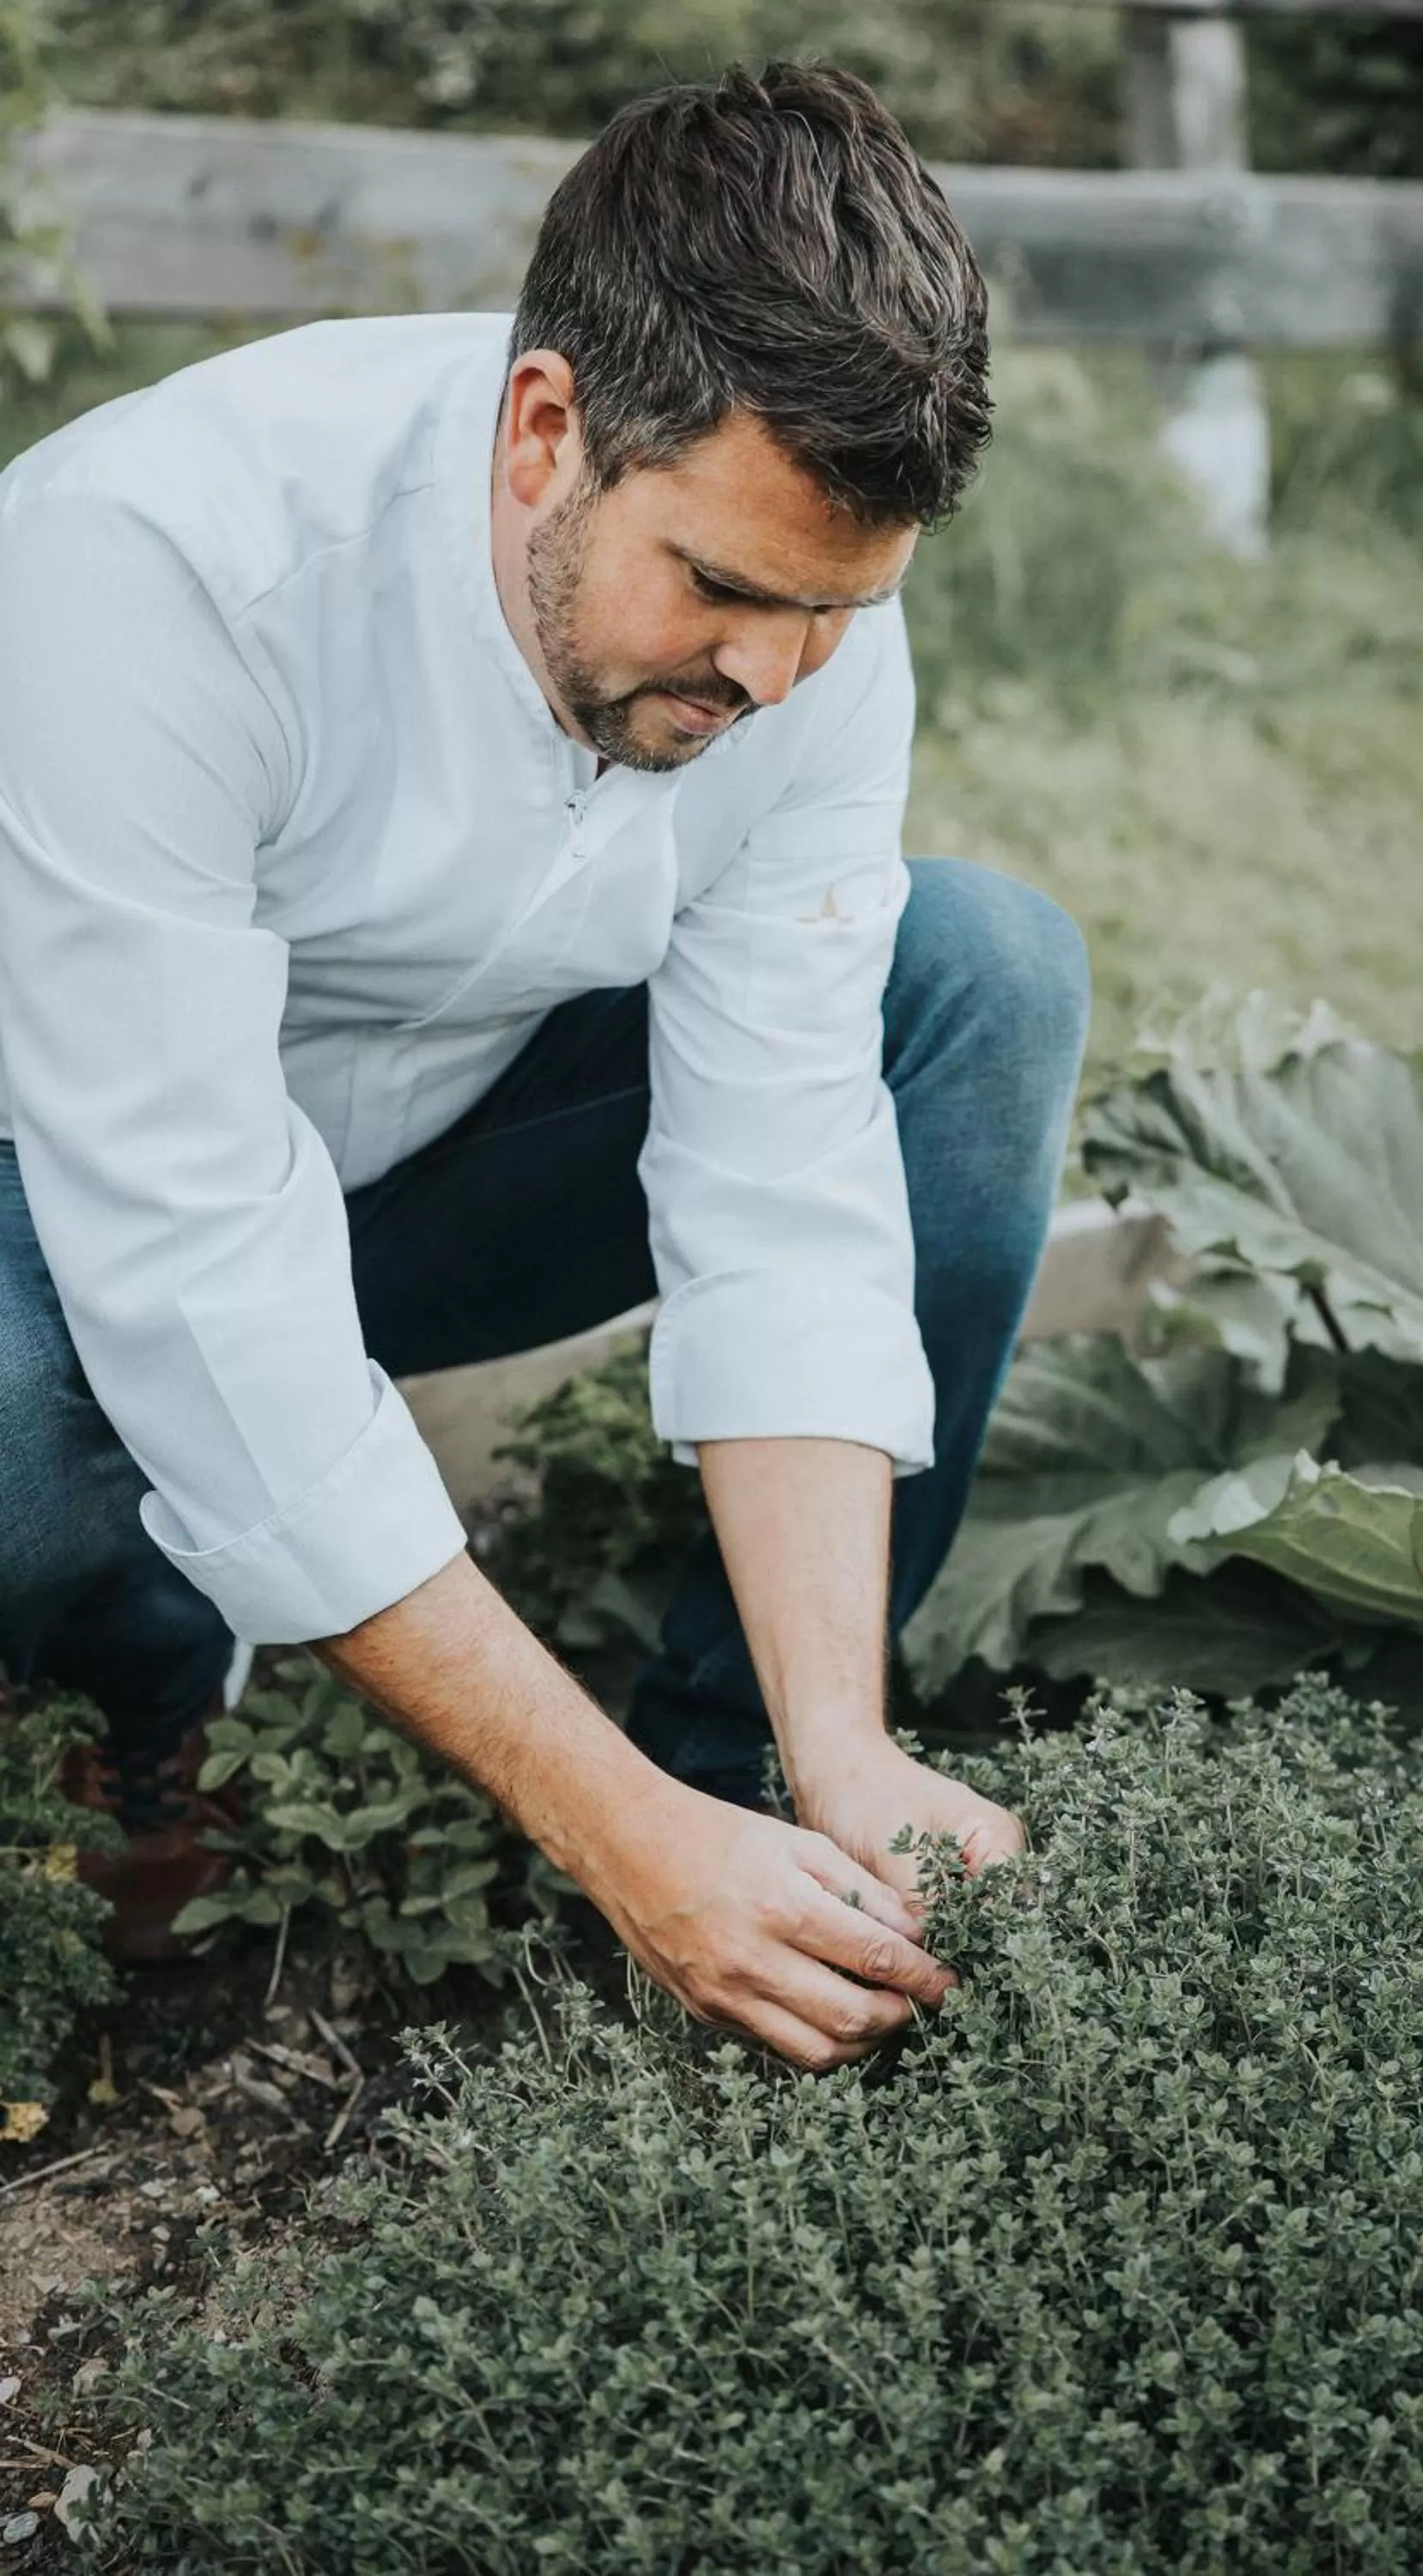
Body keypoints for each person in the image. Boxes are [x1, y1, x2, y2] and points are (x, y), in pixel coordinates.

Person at [0, 62, 1092, 2071]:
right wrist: (591, 1824)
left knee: (983, 975)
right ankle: (134, 1678)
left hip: (439, 1166)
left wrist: (834, 1741)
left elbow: (780, 1173)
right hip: (57, 1210)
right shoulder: (152, 559)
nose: (774, 676)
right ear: (542, 433)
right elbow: (177, 1258)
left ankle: (759, 1813)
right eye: (729, 593)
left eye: (836, 612)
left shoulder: (809, 630)